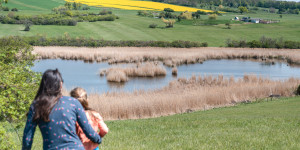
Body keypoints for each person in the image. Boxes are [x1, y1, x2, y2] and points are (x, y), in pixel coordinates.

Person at [22, 69, 102, 150]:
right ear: (60, 85)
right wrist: (98, 139)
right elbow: (88, 131)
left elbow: (27, 139)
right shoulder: (73, 103)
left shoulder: (36, 106)